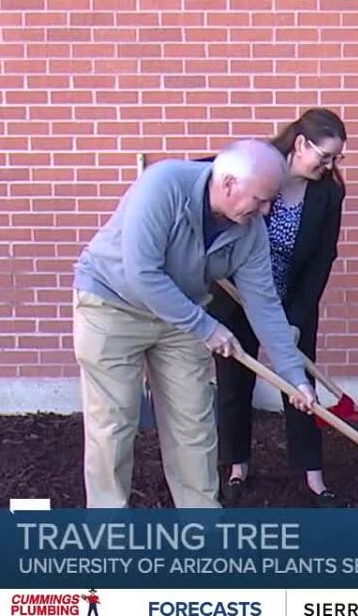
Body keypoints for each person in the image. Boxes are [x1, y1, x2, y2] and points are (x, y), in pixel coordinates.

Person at [73, 139, 316, 509]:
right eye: (261, 200)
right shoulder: (163, 186)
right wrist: (206, 328)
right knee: (114, 424)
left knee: (194, 425)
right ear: (229, 184)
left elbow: (264, 304)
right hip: (113, 305)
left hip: (181, 316)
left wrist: (294, 377)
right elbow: (143, 273)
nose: (266, 211)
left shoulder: (250, 229)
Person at [206, 109, 347, 507]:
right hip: (236, 297)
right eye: (325, 156)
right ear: (300, 144)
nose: (329, 165)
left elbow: (321, 259)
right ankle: (236, 468)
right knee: (234, 385)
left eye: (336, 158)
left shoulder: (328, 194)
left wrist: (296, 320)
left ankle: (313, 476)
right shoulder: (258, 172)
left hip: (291, 301)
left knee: (300, 384)